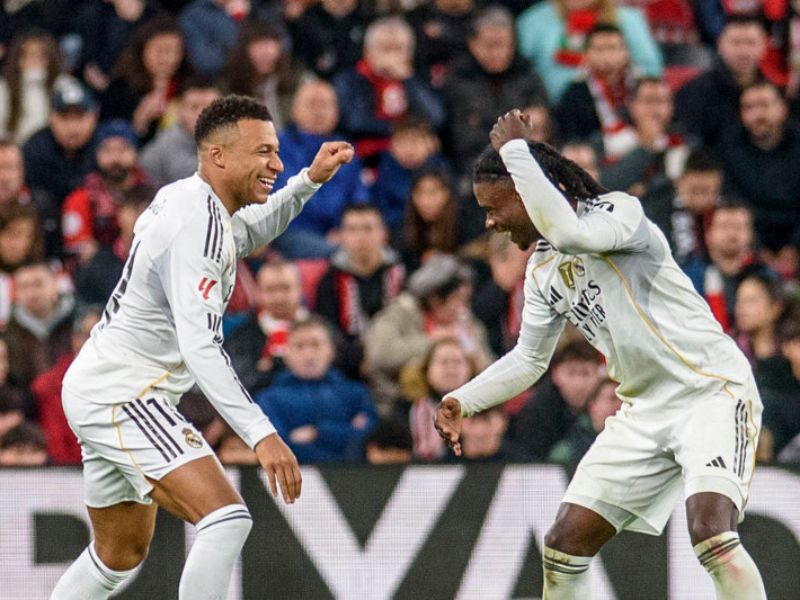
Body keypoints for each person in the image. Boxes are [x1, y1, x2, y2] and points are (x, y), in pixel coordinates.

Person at [435, 109, 766, 599]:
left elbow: (572, 234)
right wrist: (464, 398)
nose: (489, 221)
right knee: (563, 546)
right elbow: (529, 359)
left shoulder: (618, 214)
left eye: (495, 206)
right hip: (644, 411)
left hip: (711, 391)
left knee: (711, 533)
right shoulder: (543, 271)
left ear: (533, 190)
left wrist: (515, 152)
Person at [50, 95, 354, 599]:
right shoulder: (196, 227)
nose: (276, 163)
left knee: (117, 555)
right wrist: (261, 433)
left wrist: (308, 180)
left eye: (277, 152)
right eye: (263, 152)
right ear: (218, 156)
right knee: (227, 517)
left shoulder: (190, 199)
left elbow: (245, 232)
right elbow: (201, 348)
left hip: (103, 385)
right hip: (123, 395)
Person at [255, 316, 378, 463]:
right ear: (286, 353)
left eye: (316, 345)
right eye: (299, 346)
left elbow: (368, 439)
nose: (308, 354)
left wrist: (318, 433)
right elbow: (278, 447)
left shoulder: (356, 394)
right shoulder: (269, 400)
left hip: (351, 479)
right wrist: (345, 433)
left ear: (331, 350)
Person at [270, 79, 369, 258]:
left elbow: (359, 199)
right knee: (346, 256)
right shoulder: (277, 147)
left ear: (337, 111)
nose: (318, 111)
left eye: (325, 104)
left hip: (340, 235)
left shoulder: (347, 149)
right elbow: (283, 197)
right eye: (311, 104)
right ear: (294, 110)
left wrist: (344, 230)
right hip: (292, 231)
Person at [443, 6, 547, 175]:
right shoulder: (458, 78)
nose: (497, 53)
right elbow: (458, 137)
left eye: (503, 45)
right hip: (472, 169)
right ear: (473, 44)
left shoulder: (527, 75)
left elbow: (543, 123)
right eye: (490, 46)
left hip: (524, 167)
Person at [315, 203, 405, 378]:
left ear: (383, 233)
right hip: (350, 369)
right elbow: (328, 331)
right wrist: (357, 361)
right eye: (352, 230)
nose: (361, 237)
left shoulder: (402, 273)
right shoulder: (329, 280)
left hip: (399, 361)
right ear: (342, 236)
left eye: (368, 228)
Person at [717, 80, 800, 263]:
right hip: (750, 247)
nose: (757, 114)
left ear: (782, 108)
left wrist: (794, 246)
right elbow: (733, 203)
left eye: (764, 105)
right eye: (749, 108)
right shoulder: (730, 150)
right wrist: (758, 249)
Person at [675, 14, 767, 148]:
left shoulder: (774, 93)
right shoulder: (694, 92)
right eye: (736, 43)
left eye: (750, 43)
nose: (743, 51)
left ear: (764, 46)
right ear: (720, 45)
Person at [224, 259, 309, 394]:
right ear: (258, 292)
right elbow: (241, 383)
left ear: (300, 288)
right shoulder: (243, 336)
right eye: (270, 290)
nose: (279, 297)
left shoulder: (321, 329)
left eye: (285, 288)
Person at [31, 306, 101, 465]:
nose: (96, 343)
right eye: (88, 335)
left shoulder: (128, 384)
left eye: (102, 335)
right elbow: (56, 447)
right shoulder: (48, 386)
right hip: (66, 476)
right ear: (75, 339)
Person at [511, 340, 602, 460]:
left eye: (585, 373)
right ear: (555, 374)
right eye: (571, 373)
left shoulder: (609, 401)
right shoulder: (538, 411)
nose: (579, 384)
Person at [22, 79, 99, 207]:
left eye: (80, 117)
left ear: (94, 117)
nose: (72, 127)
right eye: (65, 118)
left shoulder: (103, 146)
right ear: (51, 118)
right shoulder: (35, 148)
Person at [556, 24, 637, 144]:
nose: (607, 56)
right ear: (586, 54)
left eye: (613, 48)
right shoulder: (573, 94)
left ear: (626, 52)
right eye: (600, 49)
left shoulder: (641, 86)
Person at [139, 76, 221, 188]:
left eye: (211, 107)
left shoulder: (237, 142)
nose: (203, 114)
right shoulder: (159, 152)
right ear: (179, 109)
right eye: (194, 107)